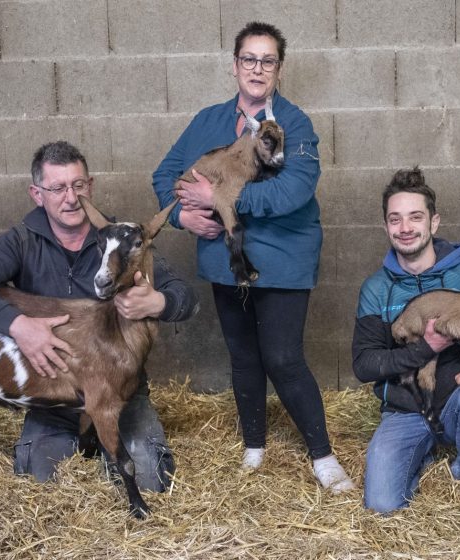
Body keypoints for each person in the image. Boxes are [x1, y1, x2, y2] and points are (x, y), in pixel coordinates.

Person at [152, 21, 354, 493]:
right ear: (235, 65)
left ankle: (322, 457)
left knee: (283, 358)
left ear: (279, 69)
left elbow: (295, 190)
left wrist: (224, 198)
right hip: (228, 260)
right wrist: (185, 217)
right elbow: (165, 174)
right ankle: (254, 447)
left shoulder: (294, 124)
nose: (257, 68)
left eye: (267, 61)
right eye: (249, 59)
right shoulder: (208, 121)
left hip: (284, 257)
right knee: (243, 358)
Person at [0, 140, 198, 491]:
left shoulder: (122, 238)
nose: (70, 197)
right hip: (54, 397)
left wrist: (158, 303)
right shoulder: (23, 240)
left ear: (90, 186)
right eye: (58, 188)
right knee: (40, 484)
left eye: (78, 186)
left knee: (149, 481)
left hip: (119, 395)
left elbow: (187, 297)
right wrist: (18, 326)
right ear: (37, 193)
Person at [352, 167, 460, 513]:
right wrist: (426, 348)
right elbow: (365, 364)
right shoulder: (376, 289)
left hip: (459, 401)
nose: (405, 228)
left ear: (434, 222)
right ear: (385, 226)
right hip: (405, 411)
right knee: (382, 506)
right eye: (395, 219)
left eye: (415, 217)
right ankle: (423, 453)